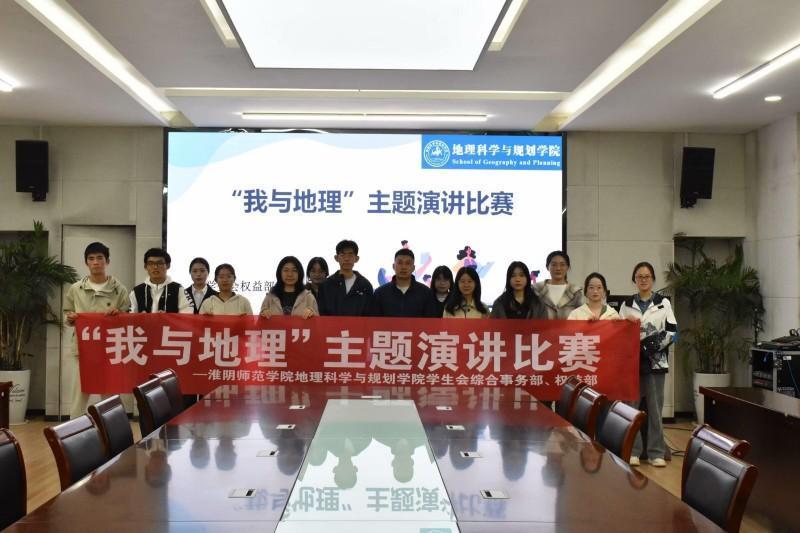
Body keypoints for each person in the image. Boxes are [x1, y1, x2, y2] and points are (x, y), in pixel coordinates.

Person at [619, 261, 677, 468]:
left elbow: (672, 332)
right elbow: (618, 332)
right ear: (634, 280)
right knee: (631, 408)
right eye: (639, 276)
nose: (643, 280)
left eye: (647, 276)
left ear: (653, 279)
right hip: (631, 363)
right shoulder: (626, 304)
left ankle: (656, 452)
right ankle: (633, 451)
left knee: (655, 409)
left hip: (655, 362)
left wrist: (648, 346)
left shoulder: (663, 303)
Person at [64, 242, 130, 419]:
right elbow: (67, 313)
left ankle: (112, 428)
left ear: (107, 261)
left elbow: (128, 317)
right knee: (79, 392)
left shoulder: (119, 289)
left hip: (110, 348)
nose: (95, 262)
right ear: (86, 262)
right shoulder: (76, 289)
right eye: (91, 258)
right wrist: (70, 318)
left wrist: (118, 314)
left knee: (109, 393)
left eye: (100, 258)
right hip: (83, 348)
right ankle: (74, 429)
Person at [371, 248, 437, 317]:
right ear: (393, 266)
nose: (403, 267)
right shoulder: (380, 293)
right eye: (400, 263)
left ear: (413, 268)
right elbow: (374, 320)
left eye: (408, 263)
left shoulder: (426, 293)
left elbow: (431, 321)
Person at [318, 240, 374, 316]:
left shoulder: (365, 285)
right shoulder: (326, 285)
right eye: (342, 255)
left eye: (350, 255)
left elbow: (370, 314)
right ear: (336, 258)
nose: (347, 258)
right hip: (332, 324)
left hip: (358, 324)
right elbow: (321, 313)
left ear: (357, 258)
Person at [129, 248, 192, 314]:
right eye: (151, 263)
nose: (155, 267)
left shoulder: (178, 289)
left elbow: (187, 314)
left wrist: (167, 317)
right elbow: (130, 315)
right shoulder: (137, 291)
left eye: (160, 263)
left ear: (168, 265)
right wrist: (140, 317)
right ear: (145, 266)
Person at [533, 250, 583, 319]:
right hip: (542, 326)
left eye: (562, 265)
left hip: (568, 326)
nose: (558, 268)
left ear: (568, 267)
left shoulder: (575, 291)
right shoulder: (536, 289)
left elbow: (581, 316)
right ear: (547, 267)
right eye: (554, 265)